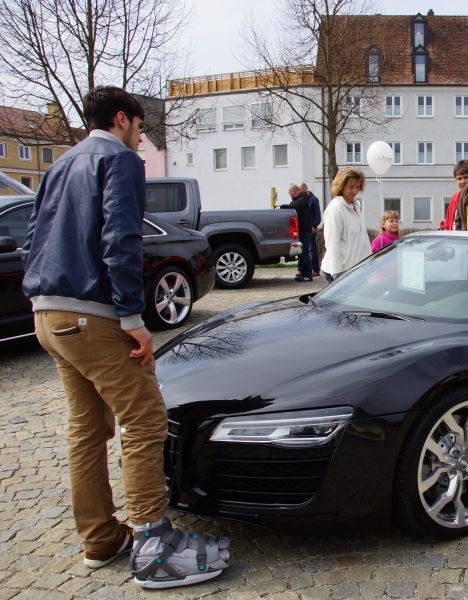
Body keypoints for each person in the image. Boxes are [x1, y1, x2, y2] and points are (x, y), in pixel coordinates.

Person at [22, 86, 230, 589]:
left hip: (49, 312)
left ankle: (100, 538)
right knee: (144, 418)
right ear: (122, 119)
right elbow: (120, 238)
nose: (140, 140)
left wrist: (41, 296)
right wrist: (133, 318)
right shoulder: (117, 160)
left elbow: (33, 238)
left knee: (87, 427)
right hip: (93, 315)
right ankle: (153, 544)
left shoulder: (61, 164)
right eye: (139, 128)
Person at [320, 166, 370, 282]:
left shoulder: (356, 206)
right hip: (340, 272)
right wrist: (337, 276)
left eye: (357, 187)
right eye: (351, 187)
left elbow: (363, 238)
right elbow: (332, 244)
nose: (355, 191)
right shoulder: (335, 209)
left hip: (357, 269)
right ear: (341, 186)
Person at [280, 183, 314, 281]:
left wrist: (282, 207)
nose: (289, 194)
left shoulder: (303, 198)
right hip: (300, 231)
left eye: (290, 192)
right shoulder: (297, 199)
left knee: (305, 253)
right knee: (300, 253)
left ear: (293, 191)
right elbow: (292, 206)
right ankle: (302, 273)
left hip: (304, 231)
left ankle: (308, 275)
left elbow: (294, 206)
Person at [439, 159, 468, 230]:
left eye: (466, 177)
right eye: (459, 178)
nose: (463, 181)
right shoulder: (455, 198)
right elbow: (448, 222)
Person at [299, 182, 322, 276]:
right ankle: (304, 270)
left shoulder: (314, 200)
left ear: (305, 189)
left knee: (312, 248)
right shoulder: (303, 199)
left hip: (311, 228)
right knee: (304, 249)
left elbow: (317, 215)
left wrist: (314, 226)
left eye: (301, 190)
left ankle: (316, 270)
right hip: (304, 228)